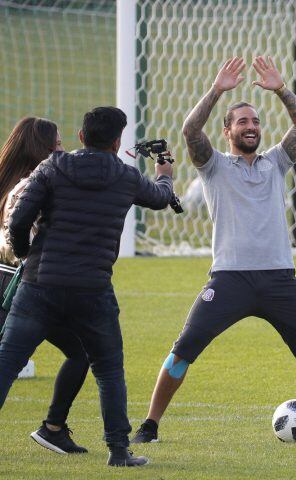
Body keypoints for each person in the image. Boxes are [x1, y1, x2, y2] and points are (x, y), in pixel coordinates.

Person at [130, 55, 296, 444]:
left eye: (255, 122)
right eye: (242, 122)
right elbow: (189, 130)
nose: (251, 127)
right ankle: (150, 425)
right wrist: (218, 90)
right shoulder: (213, 166)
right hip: (229, 279)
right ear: (227, 131)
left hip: (278, 279)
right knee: (184, 348)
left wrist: (282, 90)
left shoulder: (276, 162)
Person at [0, 106, 175, 467]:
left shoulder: (52, 167)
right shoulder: (126, 176)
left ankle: (58, 428)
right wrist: (165, 174)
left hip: (39, 286)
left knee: (6, 363)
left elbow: (18, 220)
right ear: (117, 141)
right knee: (108, 369)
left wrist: (26, 255)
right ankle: (118, 450)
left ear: (81, 136)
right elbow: (159, 198)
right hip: (92, 290)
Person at [0, 117, 92, 455]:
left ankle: (54, 428)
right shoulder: (30, 187)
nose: (62, 150)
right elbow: (19, 240)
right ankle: (53, 427)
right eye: (57, 144)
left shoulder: (17, 182)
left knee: (79, 349)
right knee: (9, 362)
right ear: (41, 149)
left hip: (15, 279)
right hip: (24, 284)